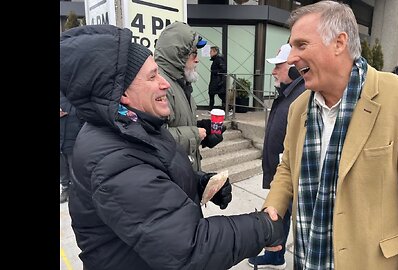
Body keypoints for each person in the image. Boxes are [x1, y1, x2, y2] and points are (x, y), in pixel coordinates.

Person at [60, 24, 285, 270]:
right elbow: (189, 249)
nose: (164, 83)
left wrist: (199, 184)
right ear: (122, 94)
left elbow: (156, 183)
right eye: (152, 76)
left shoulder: (134, 127)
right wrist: (262, 228)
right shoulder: (112, 159)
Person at [262, 1, 398, 270]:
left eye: (301, 45)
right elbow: (288, 166)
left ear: (339, 43)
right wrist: (272, 210)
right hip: (308, 258)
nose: (290, 58)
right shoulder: (299, 107)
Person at [248, 43, 305, 270]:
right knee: (280, 213)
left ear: (292, 69)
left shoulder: (301, 96)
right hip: (282, 172)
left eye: (278, 67)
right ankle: (275, 254)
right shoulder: (289, 93)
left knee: (285, 215)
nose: (273, 71)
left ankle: (275, 254)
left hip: (290, 174)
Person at [154, 22, 225, 172]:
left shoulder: (179, 83)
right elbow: (153, 138)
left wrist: (202, 129)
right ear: (179, 54)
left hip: (183, 174)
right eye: (194, 54)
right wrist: (195, 134)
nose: (197, 60)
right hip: (170, 180)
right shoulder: (160, 85)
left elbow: (176, 123)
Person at [60, 92, 83, 203]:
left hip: (73, 137)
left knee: (74, 167)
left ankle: (77, 191)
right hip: (61, 138)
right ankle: (65, 188)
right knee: (62, 167)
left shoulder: (77, 94)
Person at [208, 46, 227, 112]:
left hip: (217, 81)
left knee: (219, 95)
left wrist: (214, 72)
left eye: (211, 51)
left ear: (215, 52)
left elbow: (223, 69)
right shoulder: (216, 59)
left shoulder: (218, 59)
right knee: (212, 94)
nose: (210, 53)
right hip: (215, 80)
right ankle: (211, 109)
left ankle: (226, 108)